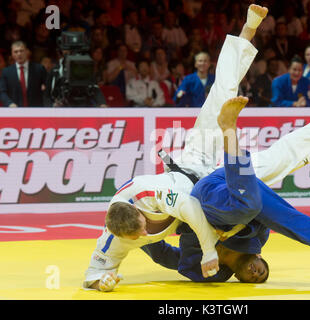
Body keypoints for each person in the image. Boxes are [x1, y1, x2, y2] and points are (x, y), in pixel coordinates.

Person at [82, 4, 273, 292]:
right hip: (211, 191)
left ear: (140, 210)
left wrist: (210, 252)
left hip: (195, 163)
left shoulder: (149, 193)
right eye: (140, 235)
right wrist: (102, 282)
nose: (146, 232)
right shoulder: (114, 237)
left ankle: (247, 31)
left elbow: (192, 208)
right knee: (267, 171)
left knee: (222, 96)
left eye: (143, 225)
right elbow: (92, 274)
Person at [143, 97, 310, 289]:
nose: (255, 273)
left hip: (204, 194)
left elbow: (164, 255)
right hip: (227, 190)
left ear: (237, 279)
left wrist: (135, 231)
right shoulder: (257, 237)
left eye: (253, 278)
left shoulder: (205, 271)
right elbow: (279, 216)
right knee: (268, 182)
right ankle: (237, 131)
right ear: (260, 257)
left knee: (266, 192)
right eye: (261, 272)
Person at [0, 40, 47, 107]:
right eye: (16, 52)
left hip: (36, 110)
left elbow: (48, 89)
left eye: (21, 51)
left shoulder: (39, 69)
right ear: (12, 54)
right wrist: (9, 103)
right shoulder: (6, 72)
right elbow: (2, 92)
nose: (19, 54)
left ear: (27, 52)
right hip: (14, 111)